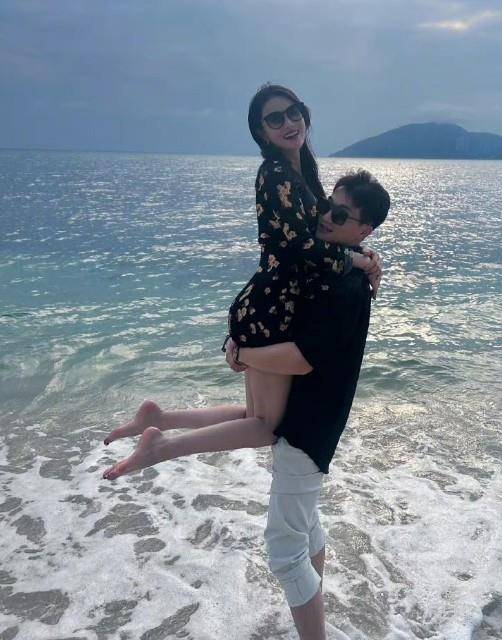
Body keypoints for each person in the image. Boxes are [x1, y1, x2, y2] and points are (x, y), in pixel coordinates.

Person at [102, 170, 391, 640]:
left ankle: (312, 627)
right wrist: (362, 259)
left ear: (364, 230)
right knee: (297, 529)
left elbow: (302, 359)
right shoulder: (332, 264)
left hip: (307, 428)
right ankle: (313, 618)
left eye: (340, 215)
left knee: (288, 545)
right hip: (305, 419)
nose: (325, 216)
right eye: (326, 205)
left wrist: (242, 353)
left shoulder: (344, 287)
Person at [102, 84, 381, 463]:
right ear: (261, 132)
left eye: (294, 112)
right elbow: (300, 249)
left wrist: (363, 253)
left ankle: (160, 419)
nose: (288, 123)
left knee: (255, 416)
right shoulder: (277, 175)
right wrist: (357, 261)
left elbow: (325, 232)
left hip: (267, 304)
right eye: (274, 119)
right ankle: (160, 447)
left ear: (305, 114)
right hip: (272, 309)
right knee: (265, 427)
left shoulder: (300, 171)